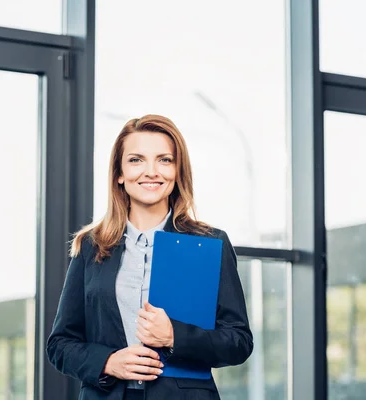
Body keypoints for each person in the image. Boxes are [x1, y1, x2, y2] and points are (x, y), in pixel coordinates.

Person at [46, 114, 253, 400]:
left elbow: (239, 341)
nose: (151, 171)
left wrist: (173, 336)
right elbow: (60, 344)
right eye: (136, 160)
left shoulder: (208, 243)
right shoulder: (92, 246)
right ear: (119, 173)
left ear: (178, 171)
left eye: (165, 160)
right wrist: (108, 362)